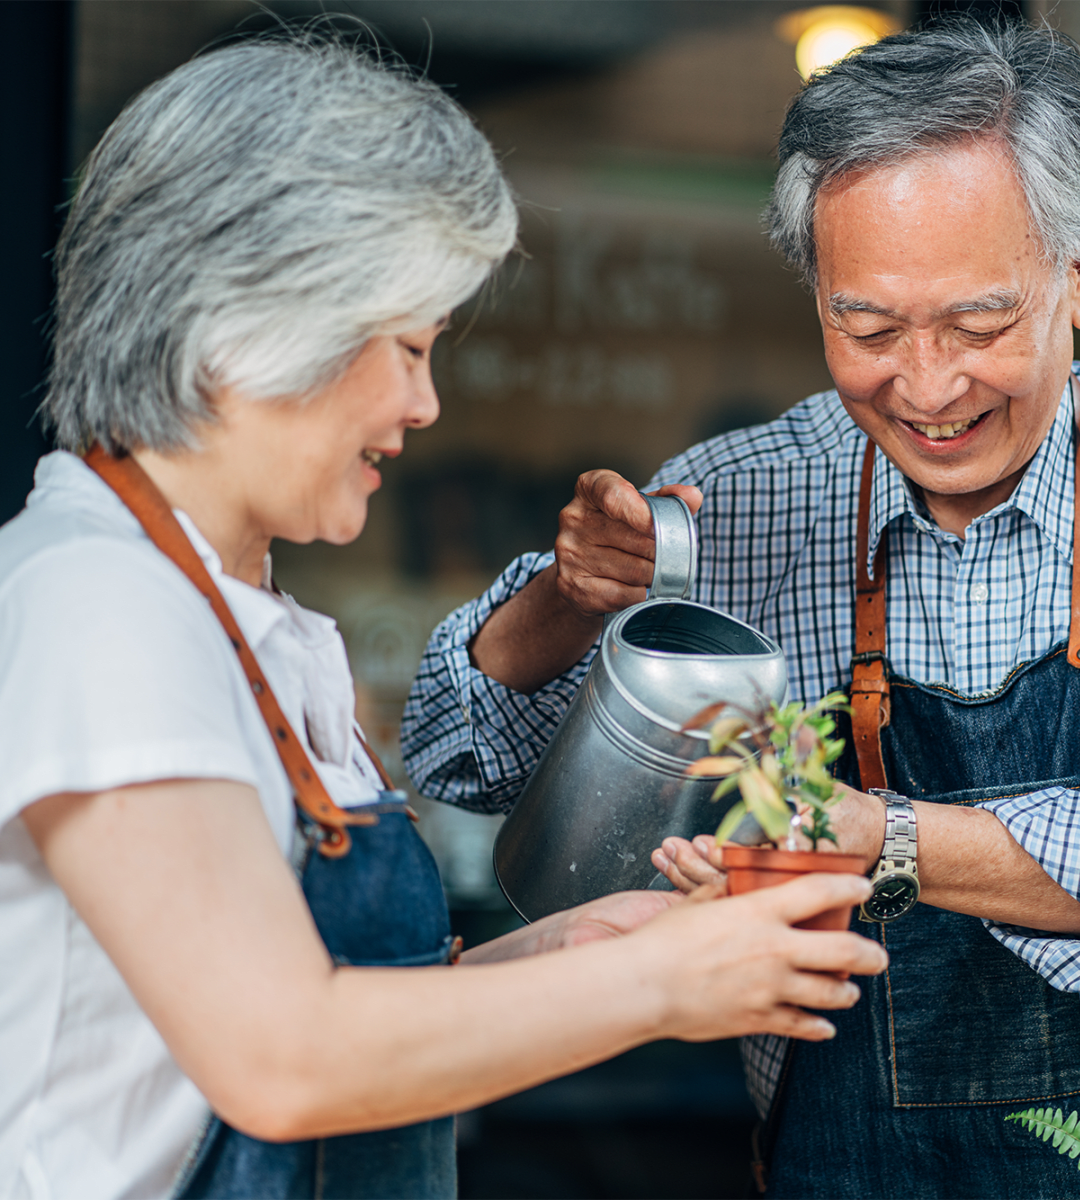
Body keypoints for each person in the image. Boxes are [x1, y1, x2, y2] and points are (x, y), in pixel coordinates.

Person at [0, 35, 891, 1200]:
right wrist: (664, 983)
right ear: (253, 321)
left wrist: (575, 949)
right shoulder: (98, 605)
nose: (424, 405)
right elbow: (283, 1057)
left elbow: (338, 999)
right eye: (409, 347)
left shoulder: (229, 614)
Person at [402, 17, 1080, 1198]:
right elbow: (460, 763)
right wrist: (568, 606)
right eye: (866, 328)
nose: (927, 387)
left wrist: (881, 840)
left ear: (1076, 278)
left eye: (979, 325)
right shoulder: (740, 497)